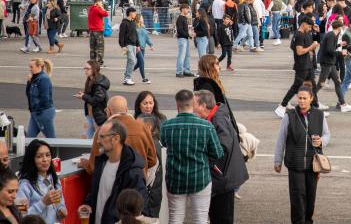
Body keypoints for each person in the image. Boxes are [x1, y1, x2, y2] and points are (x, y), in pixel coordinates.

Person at [160, 90, 223, 224]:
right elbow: (218, 153)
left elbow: (163, 144)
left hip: (175, 179)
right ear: (192, 105)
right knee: (200, 219)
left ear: (177, 105)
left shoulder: (166, 126)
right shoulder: (206, 126)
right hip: (200, 178)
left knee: (175, 218)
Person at [273, 85, 330, 224]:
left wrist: (321, 141)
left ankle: (308, 220)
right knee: (298, 198)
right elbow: (281, 139)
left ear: (311, 98)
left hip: (313, 164)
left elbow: (327, 134)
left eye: (305, 98)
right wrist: (277, 160)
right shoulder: (289, 116)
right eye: (299, 98)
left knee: (310, 198)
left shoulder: (319, 115)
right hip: (294, 164)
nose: (302, 101)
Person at [193, 90, 248, 224]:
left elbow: (223, 147)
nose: (192, 107)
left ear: (203, 106)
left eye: (194, 103)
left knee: (222, 217)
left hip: (224, 178)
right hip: (223, 177)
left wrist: (202, 157)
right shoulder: (215, 117)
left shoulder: (217, 120)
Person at [79, 120, 148, 224]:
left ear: (116, 138)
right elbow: (96, 191)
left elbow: (139, 208)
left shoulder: (133, 171)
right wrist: (88, 204)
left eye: (102, 137)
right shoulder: (101, 162)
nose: (97, 141)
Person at [84, 96, 158, 176]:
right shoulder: (143, 127)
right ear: (126, 110)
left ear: (108, 111)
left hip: (113, 183)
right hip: (138, 182)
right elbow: (152, 160)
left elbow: (93, 167)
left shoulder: (102, 131)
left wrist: (85, 164)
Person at [276, 17, 319, 119]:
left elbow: (294, 46)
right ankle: (282, 106)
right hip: (302, 65)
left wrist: (316, 33)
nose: (310, 29)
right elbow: (299, 51)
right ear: (303, 24)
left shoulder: (305, 34)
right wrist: (310, 48)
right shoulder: (299, 35)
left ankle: (315, 108)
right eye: (309, 26)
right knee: (296, 86)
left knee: (312, 86)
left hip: (308, 64)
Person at [16, 140, 66, 224]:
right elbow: (21, 216)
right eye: (39, 156)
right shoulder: (24, 185)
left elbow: (60, 205)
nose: (45, 159)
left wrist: (62, 211)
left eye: (48, 155)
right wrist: (43, 203)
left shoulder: (54, 179)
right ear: (32, 159)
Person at [315, 20, 351, 113]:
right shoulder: (332, 35)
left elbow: (330, 47)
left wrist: (339, 44)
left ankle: (343, 104)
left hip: (330, 63)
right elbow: (329, 50)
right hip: (327, 62)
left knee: (337, 82)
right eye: (343, 27)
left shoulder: (332, 35)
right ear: (340, 27)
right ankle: (313, 102)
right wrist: (340, 53)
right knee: (321, 83)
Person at [76, 60, 109, 138]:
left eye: (88, 69)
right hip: (91, 114)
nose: (85, 71)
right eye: (85, 68)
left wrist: (84, 96)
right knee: (88, 138)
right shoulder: (91, 79)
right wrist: (83, 94)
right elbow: (92, 95)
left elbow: (96, 100)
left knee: (99, 138)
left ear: (94, 69)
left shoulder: (99, 84)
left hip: (98, 116)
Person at [26, 58, 56, 138]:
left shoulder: (44, 79)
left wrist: (37, 109)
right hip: (35, 112)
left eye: (32, 67)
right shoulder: (34, 78)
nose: (30, 69)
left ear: (39, 67)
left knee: (51, 138)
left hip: (43, 112)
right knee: (29, 138)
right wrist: (29, 82)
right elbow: (28, 94)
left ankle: (54, 151)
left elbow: (45, 98)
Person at [118, 7, 139, 87]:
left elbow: (135, 34)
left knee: (130, 61)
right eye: (134, 13)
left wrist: (138, 45)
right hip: (128, 45)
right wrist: (122, 46)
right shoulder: (124, 23)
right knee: (132, 61)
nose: (135, 14)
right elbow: (121, 36)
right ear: (130, 13)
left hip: (133, 44)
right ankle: (127, 78)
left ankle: (126, 78)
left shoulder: (133, 22)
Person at [175, 4, 195, 78]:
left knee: (187, 56)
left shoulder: (184, 18)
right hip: (182, 39)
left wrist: (188, 35)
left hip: (185, 39)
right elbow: (180, 30)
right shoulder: (180, 18)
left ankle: (186, 70)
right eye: (187, 9)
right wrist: (188, 35)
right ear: (183, 9)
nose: (188, 10)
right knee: (182, 55)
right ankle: (179, 71)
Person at [88, 0, 109, 66]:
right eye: (101, 2)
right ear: (97, 2)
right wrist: (102, 7)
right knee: (100, 47)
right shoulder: (97, 9)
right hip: (98, 30)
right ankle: (99, 62)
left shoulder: (90, 8)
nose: (102, 4)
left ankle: (92, 61)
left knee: (92, 47)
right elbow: (106, 14)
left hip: (92, 30)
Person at [133, 16, 153, 84]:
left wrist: (150, 45)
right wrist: (136, 46)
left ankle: (130, 70)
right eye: (142, 18)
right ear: (138, 19)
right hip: (137, 47)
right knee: (142, 62)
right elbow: (134, 38)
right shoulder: (134, 28)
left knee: (139, 63)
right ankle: (144, 78)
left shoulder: (143, 27)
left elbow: (147, 37)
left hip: (143, 48)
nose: (143, 19)